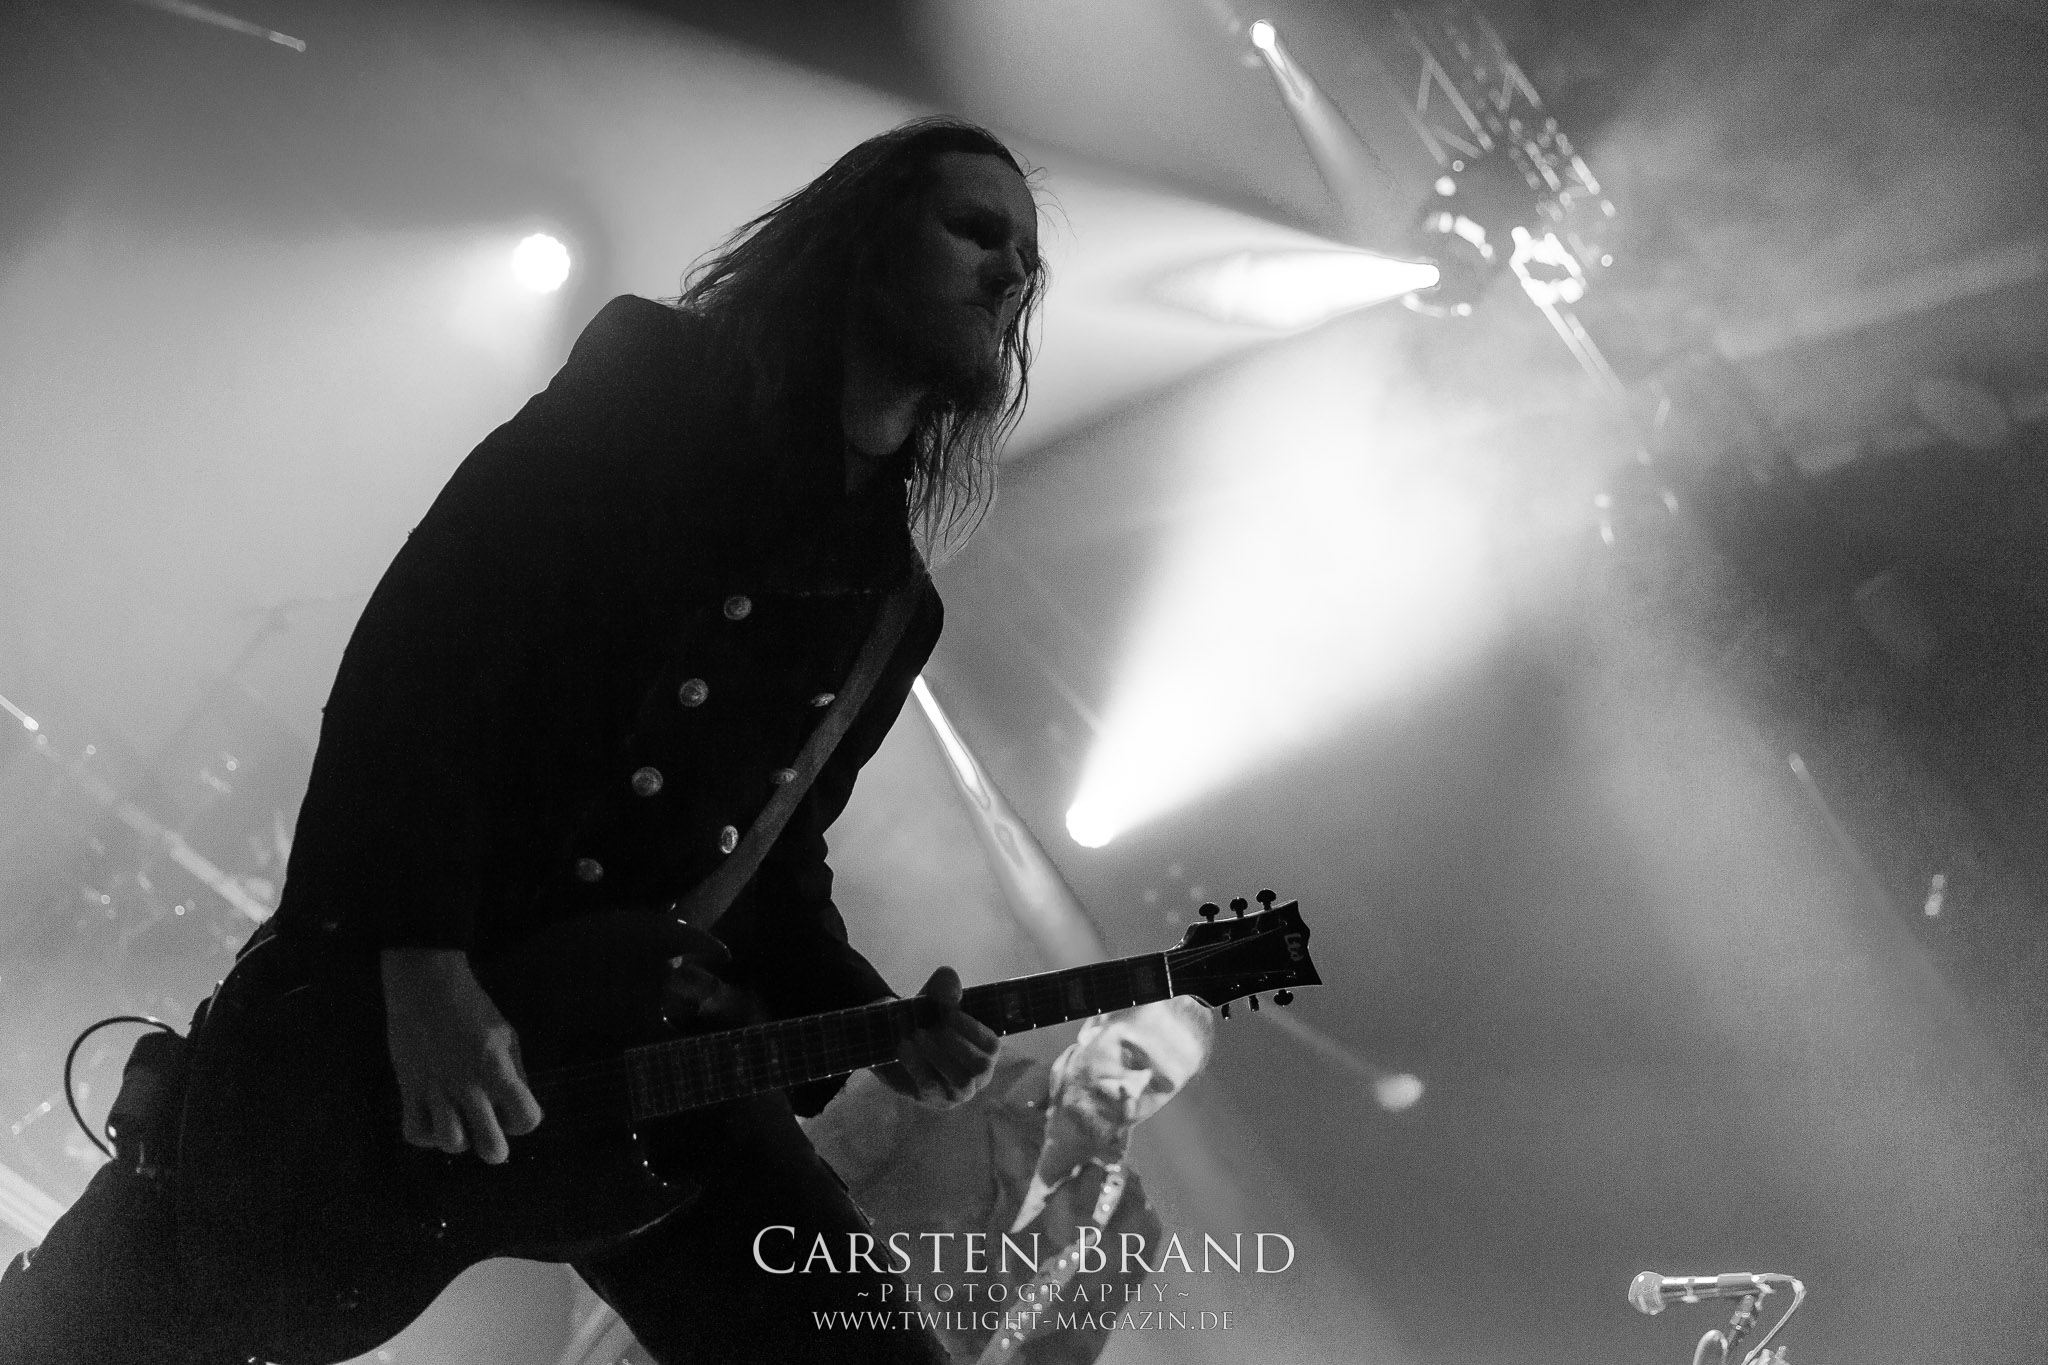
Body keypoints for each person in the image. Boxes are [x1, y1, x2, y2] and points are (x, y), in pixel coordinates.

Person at [0, 116, 1046, 1365]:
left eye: (1026, 258)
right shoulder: (653, 382)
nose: (1010, 272)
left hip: (629, 1064)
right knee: (109, 1326)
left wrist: (878, 1020)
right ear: (864, 238)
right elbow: (429, 646)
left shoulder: (890, 607)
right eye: (976, 230)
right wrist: (421, 964)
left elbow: (773, 870)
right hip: (396, 995)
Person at [805, 999, 1215, 1365]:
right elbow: (798, 1189)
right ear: (1095, 1024)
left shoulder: (1132, 1224)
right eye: (1131, 1057)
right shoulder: (950, 1080)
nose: (1133, 1088)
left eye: (1159, 1087)